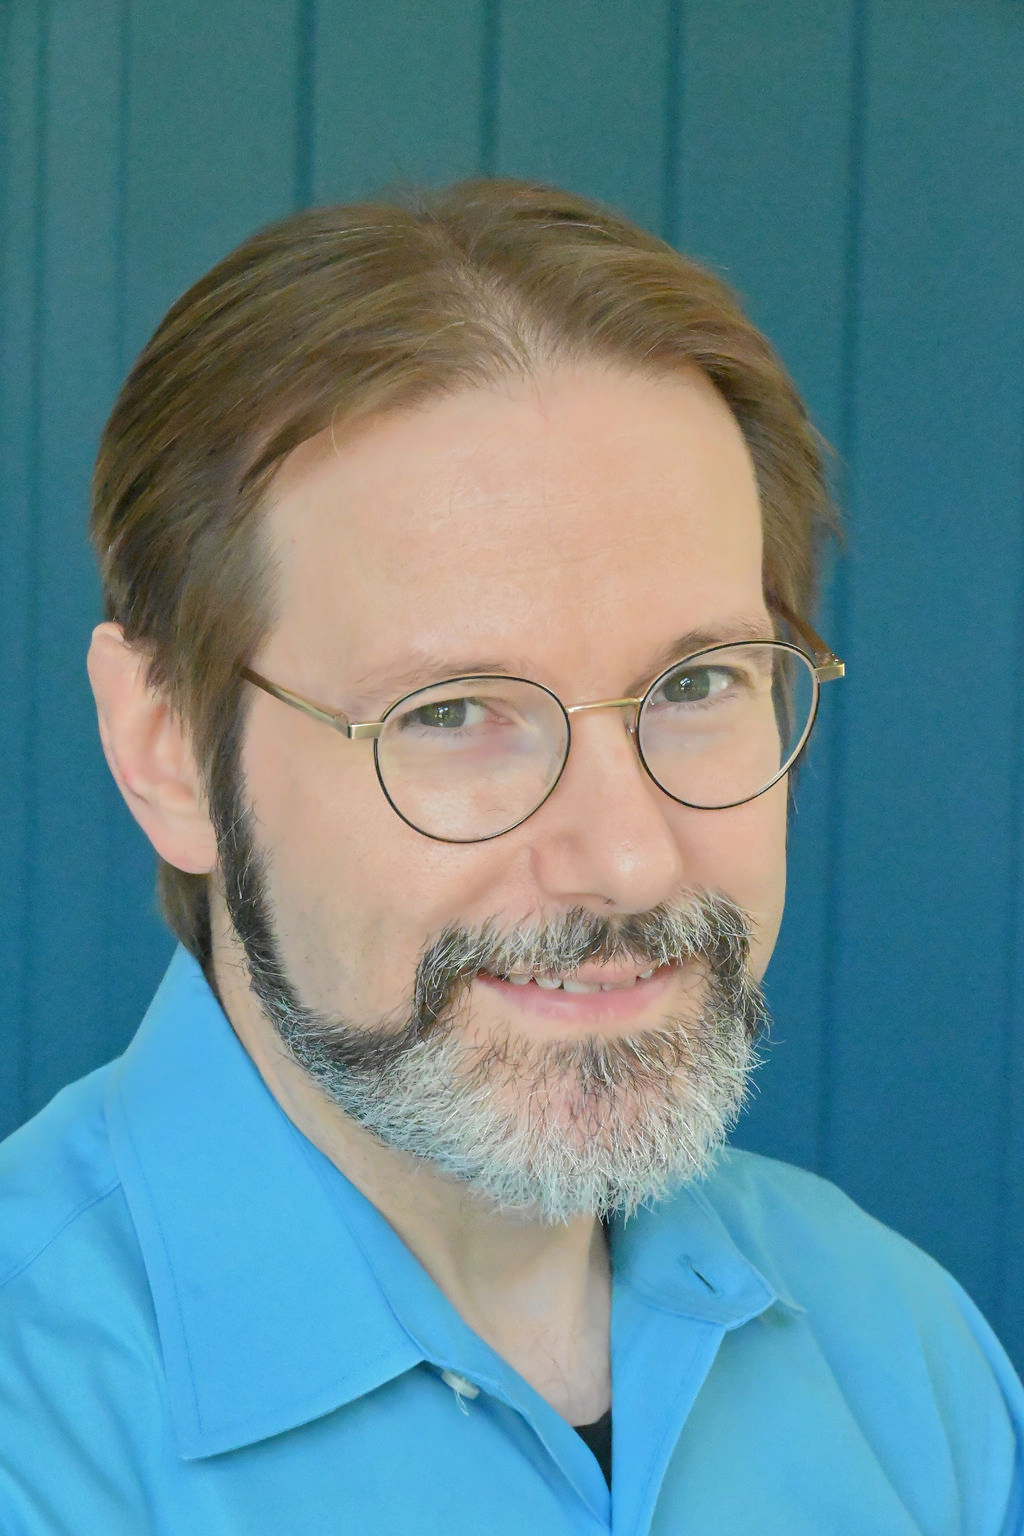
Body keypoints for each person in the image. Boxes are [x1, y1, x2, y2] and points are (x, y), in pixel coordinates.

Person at [1, 179, 1020, 1535]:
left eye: (700, 682)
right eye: (453, 714)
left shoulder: (899, 1348)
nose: (627, 860)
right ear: (167, 751)